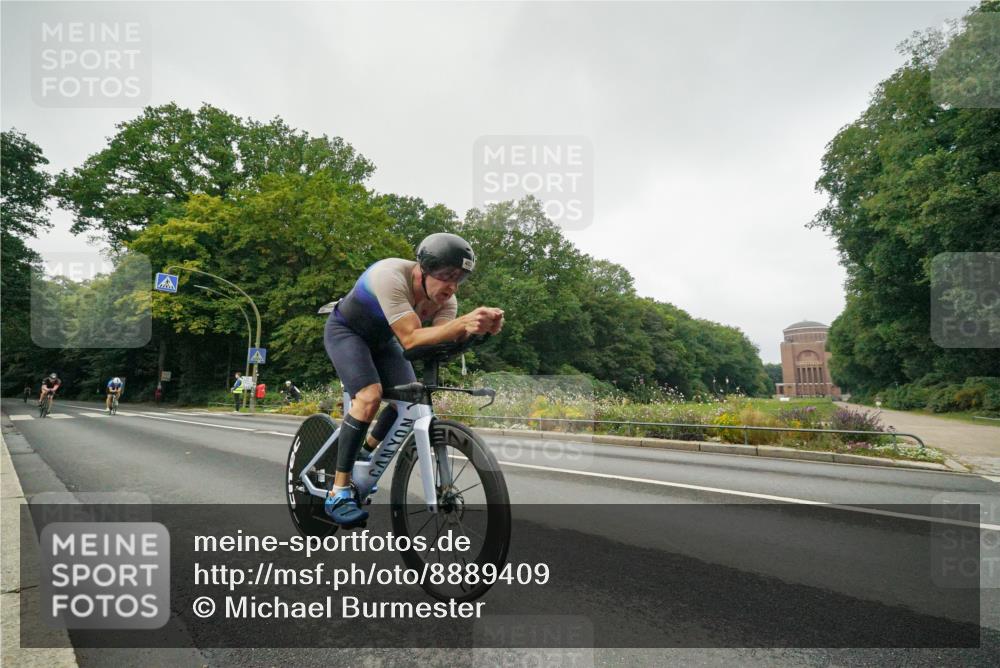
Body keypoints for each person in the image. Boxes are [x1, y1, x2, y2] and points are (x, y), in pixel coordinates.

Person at [322, 232, 504, 526]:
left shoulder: (447, 302)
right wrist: (463, 323)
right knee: (369, 396)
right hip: (347, 332)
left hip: (383, 341)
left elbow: (436, 343)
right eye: (447, 275)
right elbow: (410, 339)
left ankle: (365, 451)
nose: (452, 286)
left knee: (409, 398)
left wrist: (476, 331)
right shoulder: (389, 276)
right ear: (423, 269)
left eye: (459, 279)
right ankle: (339, 491)